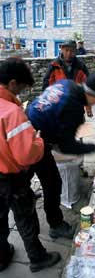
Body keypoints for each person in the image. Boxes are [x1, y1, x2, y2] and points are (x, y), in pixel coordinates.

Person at [27, 73, 95, 239]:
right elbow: (67, 147)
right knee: (52, 183)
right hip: (34, 139)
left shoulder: (68, 84)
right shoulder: (73, 107)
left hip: (27, 123)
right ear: (91, 94)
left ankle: (25, 194)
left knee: (24, 176)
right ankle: (56, 225)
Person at [0, 57, 61, 273]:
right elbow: (27, 155)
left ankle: (1, 255)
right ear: (13, 83)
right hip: (11, 177)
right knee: (25, 217)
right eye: (22, 88)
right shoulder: (12, 113)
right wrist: (38, 140)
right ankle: (37, 257)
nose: (22, 93)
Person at [43, 39, 92, 117]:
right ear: (62, 49)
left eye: (72, 51)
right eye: (66, 50)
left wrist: (88, 107)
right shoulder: (54, 66)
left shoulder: (81, 66)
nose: (69, 53)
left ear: (75, 51)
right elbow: (47, 87)